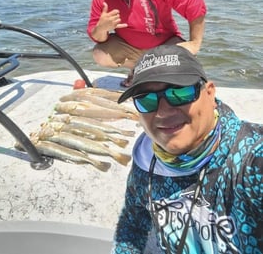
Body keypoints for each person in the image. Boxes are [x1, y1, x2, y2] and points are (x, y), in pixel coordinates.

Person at [111, 44, 263, 254]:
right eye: (147, 100)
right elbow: (132, 225)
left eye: (180, 93)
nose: (163, 112)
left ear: (210, 93)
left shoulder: (252, 157)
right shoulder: (147, 157)